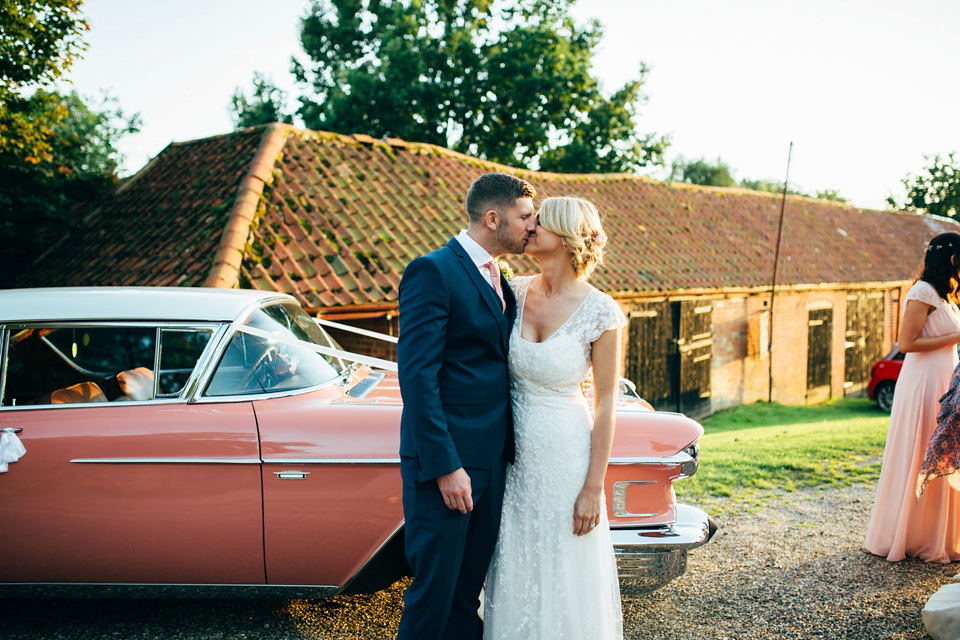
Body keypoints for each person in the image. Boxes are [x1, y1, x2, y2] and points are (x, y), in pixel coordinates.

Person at [396, 172, 537, 640]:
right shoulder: (432, 271)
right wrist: (445, 466)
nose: (531, 225)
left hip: (493, 462)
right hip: (448, 466)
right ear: (493, 218)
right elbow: (417, 376)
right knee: (433, 593)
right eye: (523, 216)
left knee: (464, 593)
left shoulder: (503, 277)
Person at [484, 196, 626, 639]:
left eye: (539, 223)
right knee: (515, 568)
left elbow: (605, 406)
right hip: (512, 461)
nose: (528, 228)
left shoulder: (601, 312)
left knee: (565, 575)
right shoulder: (514, 291)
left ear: (564, 238)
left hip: (567, 462)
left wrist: (591, 488)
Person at [864, 232, 960, 563]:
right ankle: (908, 534)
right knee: (921, 450)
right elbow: (906, 344)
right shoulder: (922, 293)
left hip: (945, 380)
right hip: (922, 384)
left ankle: (938, 535)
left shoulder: (946, 295)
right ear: (950, 259)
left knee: (944, 452)